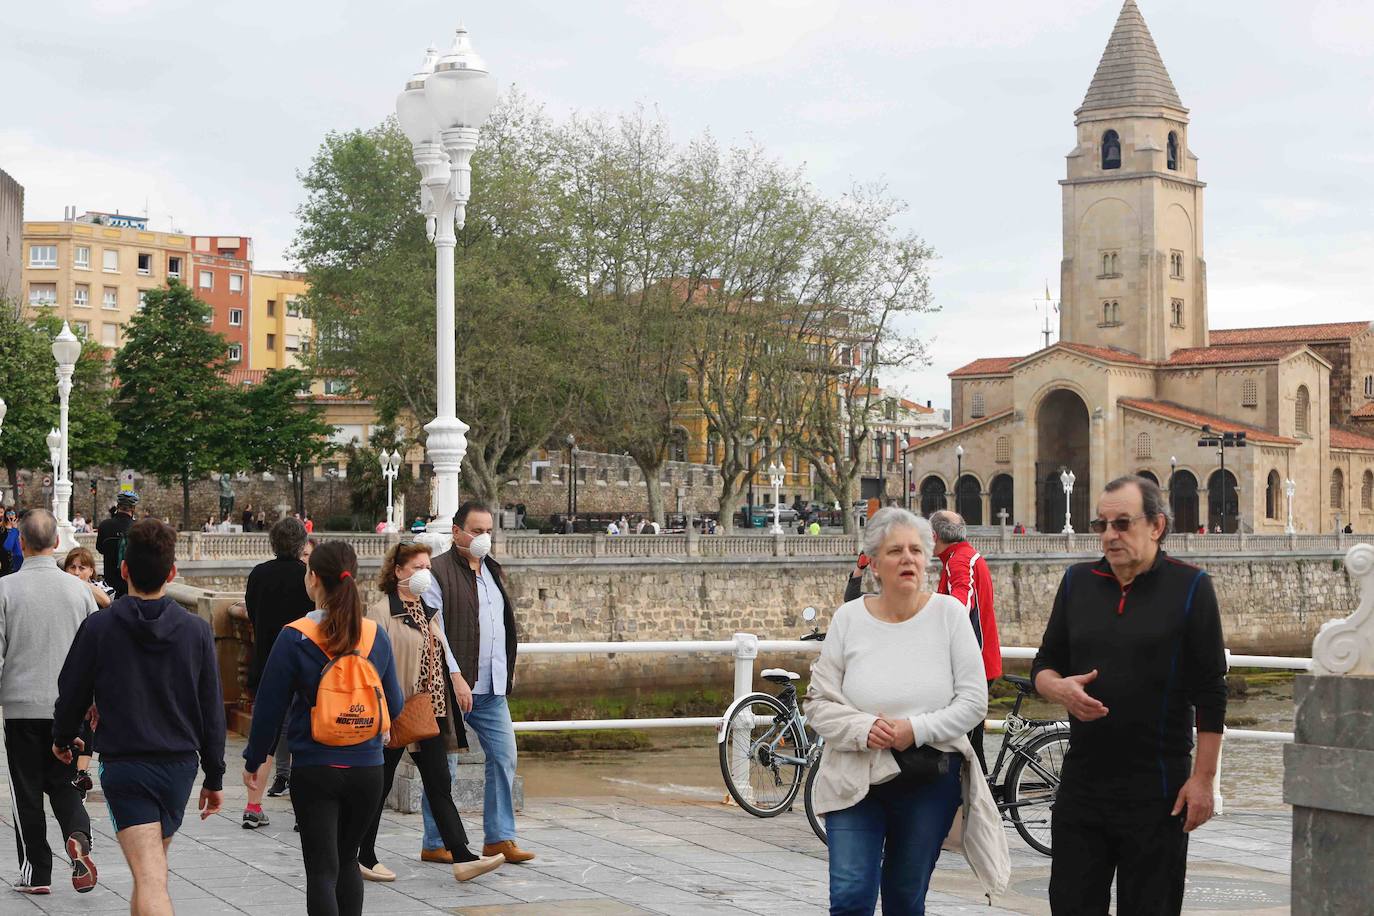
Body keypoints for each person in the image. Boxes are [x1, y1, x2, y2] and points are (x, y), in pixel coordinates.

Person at [1031, 475, 1227, 915]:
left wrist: (1203, 780)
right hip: (1082, 785)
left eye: (1121, 523)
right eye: (1101, 524)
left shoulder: (1192, 587)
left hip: (1158, 790)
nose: (1108, 535)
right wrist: (1057, 688)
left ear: (1156, 526)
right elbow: (1043, 662)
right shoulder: (1077, 581)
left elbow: (1212, 690)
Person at [805, 508, 1007, 912]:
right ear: (875, 564)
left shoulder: (949, 616)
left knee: (904, 896)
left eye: (916, 549)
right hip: (855, 774)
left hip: (927, 779)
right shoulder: (849, 619)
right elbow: (818, 702)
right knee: (850, 895)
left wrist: (913, 730)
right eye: (895, 550)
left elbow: (972, 703)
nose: (908, 558)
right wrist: (865, 728)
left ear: (929, 558)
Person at [52, 518, 225, 913]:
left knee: (149, 875)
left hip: (127, 764)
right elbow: (211, 709)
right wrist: (214, 775)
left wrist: (63, 738)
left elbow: (72, 692)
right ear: (172, 572)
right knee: (151, 870)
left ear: (124, 569)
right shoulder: (195, 631)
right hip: (179, 766)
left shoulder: (100, 627)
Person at [244, 541, 403, 916]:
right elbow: (393, 704)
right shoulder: (374, 635)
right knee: (348, 860)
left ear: (312, 578)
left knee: (321, 871)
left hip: (315, 766)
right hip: (367, 768)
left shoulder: (295, 636)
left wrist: (255, 761)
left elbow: (269, 707)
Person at [357, 543, 503, 883]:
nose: (424, 573)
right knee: (381, 783)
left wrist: (457, 680)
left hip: (431, 709)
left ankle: (462, 856)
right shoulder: (381, 613)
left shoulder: (429, 609)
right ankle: (363, 853)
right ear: (398, 571)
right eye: (416, 567)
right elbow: (369, 665)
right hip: (396, 710)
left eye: (427, 567)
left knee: (440, 783)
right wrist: (380, 710)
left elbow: (443, 653)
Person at [424, 502, 535, 864]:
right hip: (453, 687)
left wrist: (508, 667)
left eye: (488, 530)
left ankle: (499, 837)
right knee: (446, 768)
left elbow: (500, 626)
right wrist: (454, 676)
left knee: (504, 757)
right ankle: (435, 841)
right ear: (456, 532)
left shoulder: (492, 570)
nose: (483, 537)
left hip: (493, 688)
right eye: (476, 530)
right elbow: (434, 629)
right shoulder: (438, 572)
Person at [0, 510, 99, 895]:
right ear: (57, 543)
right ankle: (78, 837)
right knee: (64, 785)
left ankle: (37, 872)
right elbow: (96, 653)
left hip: (22, 706)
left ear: (21, 543)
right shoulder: (79, 591)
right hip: (69, 709)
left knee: (26, 791)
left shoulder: (5, 590)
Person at [240, 518, 314, 825]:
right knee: (304, 740)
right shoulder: (307, 576)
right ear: (301, 544)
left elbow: (251, 612)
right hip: (304, 666)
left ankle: (253, 807)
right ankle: (303, 811)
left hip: (266, 663)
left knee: (266, 738)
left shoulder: (259, 574)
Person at [928, 510, 1002, 773]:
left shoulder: (960, 561)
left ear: (934, 536)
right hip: (974, 664)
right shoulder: (959, 557)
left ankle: (982, 805)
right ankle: (982, 804)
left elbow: (961, 604)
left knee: (964, 745)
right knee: (970, 745)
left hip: (973, 666)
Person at [95, 492, 138, 597]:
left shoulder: (105, 525)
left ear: (118, 506)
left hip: (110, 585)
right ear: (133, 509)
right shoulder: (139, 528)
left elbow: (100, 548)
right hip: (131, 586)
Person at [3, 508, 22, 575]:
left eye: (12, 513)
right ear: (5, 515)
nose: (10, 515)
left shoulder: (18, 529)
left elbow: (18, 548)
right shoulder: (2, 529)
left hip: (18, 561)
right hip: (6, 562)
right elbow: (7, 546)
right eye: (8, 513)